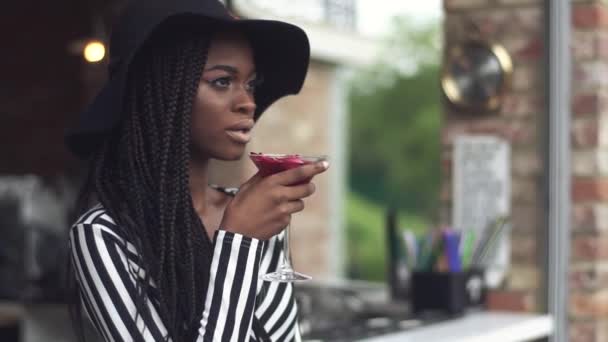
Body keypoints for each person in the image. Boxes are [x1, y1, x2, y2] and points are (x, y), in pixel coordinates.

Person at [64, 0, 328, 341]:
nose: (248, 101)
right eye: (221, 82)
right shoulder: (104, 236)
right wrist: (239, 242)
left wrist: (246, 233)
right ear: (158, 91)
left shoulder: (257, 214)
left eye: (250, 83)